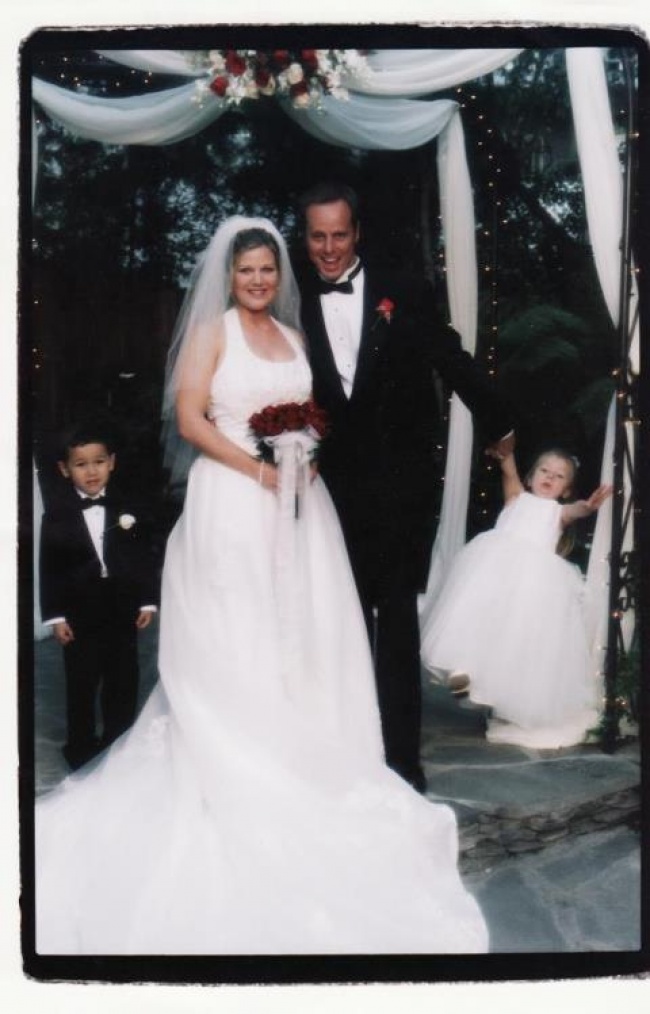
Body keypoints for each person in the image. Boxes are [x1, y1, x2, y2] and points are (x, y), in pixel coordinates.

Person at [35, 217, 488, 956]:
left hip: (298, 506)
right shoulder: (211, 334)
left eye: (268, 271)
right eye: (246, 271)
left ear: (280, 277)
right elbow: (191, 419)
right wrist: (258, 470)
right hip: (232, 500)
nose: (257, 281)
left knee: (297, 627)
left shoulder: (295, 336)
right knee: (237, 627)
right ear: (229, 275)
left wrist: (304, 457)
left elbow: (317, 416)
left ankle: (303, 750)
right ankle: (239, 757)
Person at [296, 181, 515, 792]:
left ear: (357, 233)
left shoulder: (404, 289)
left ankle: (400, 760)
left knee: (394, 619)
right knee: (336, 619)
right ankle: (343, 749)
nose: (329, 249)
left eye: (340, 235)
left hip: (398, 487)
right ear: (305, 237)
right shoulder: (292, 298)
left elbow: (448, 355)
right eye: (318, 236)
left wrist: (498, 418)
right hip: (327, 491)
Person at [420, 448, 612, 748]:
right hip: (492, 577)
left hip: (530, 588)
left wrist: (587, 507)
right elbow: (508, 466)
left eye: (559, 476)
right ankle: (464, 686)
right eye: (544, 471)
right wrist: (505, 451)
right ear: (530, 476)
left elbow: (575, 511)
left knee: (512, 644)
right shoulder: (516, 497)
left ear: (566, 489)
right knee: (475, 633)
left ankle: (497, 699)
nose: (550, 477)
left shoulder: (557, 512)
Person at [39, 422, 158, 770]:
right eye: (81, 464)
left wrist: (147, 600)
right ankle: (80, 748)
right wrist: (56, 616)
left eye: (99, 462)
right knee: (81, 681)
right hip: (80, 611)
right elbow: (50, 568)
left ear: (112, 463)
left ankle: (118, 744)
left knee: (123, 677)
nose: (91, 472)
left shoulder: (127, 507)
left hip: (120, 605)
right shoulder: (56, 516)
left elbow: (143, 558)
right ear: (64, 469)